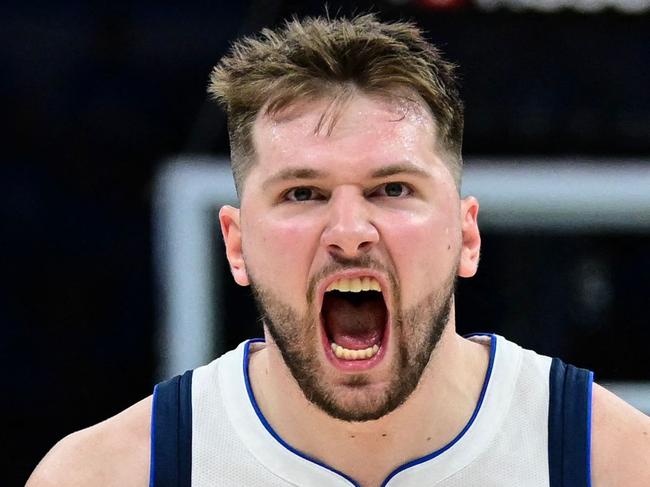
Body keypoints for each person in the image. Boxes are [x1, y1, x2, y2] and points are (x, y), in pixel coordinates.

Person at [28, 13, 650, 487]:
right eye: (303, 193)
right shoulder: (107, 475)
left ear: (466, 236)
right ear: (236, 245)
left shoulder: (615, 463)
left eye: (392, 188)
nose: (350, 230)